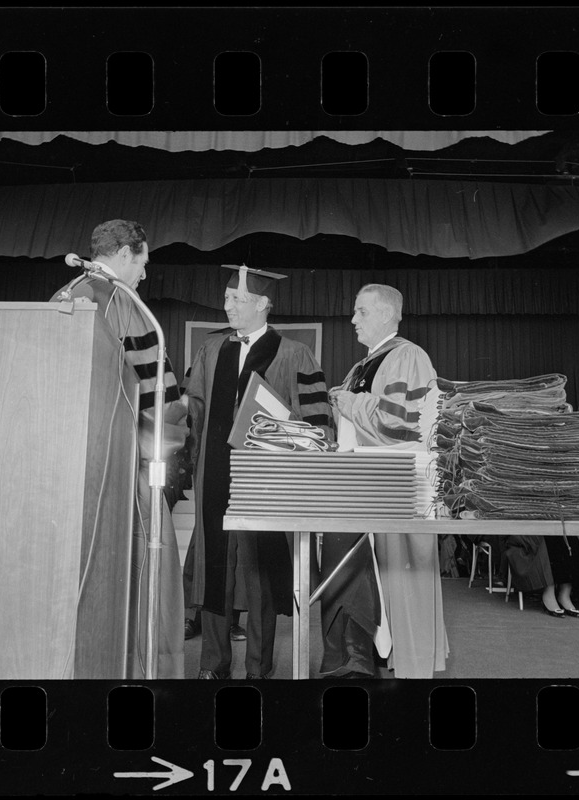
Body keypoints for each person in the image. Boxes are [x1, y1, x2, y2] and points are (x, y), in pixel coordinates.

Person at [51, 219, 188, 678]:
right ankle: (146, 671)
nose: (145, 273)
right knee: (151, 565)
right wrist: (172, 438)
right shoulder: (125, 305)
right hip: (123, 466)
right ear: (125, 253)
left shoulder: (65, 296)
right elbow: (161, 404)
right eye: (143, 261)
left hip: (67, 466)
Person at [185, 264, 334, 679]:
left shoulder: (293, 353)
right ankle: (212, 665)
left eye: (237, 299)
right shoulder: (211, 350)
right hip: (215, 475)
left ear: (263, 304)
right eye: (228, 297)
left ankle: (258, 668)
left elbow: (315, 425)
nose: (227, 305)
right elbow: (194, 411)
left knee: (260, 574)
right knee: (215, 569)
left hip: (265, 479)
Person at [324, 283, 448, 678]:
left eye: (361, 311)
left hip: (400, 485)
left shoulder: (408, 355)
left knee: (404, 580)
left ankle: (415, 672)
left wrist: (346, 400)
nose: (353, 319)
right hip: (369, 485)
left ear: (385, 314)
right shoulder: (365, 363)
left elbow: (397, 423)